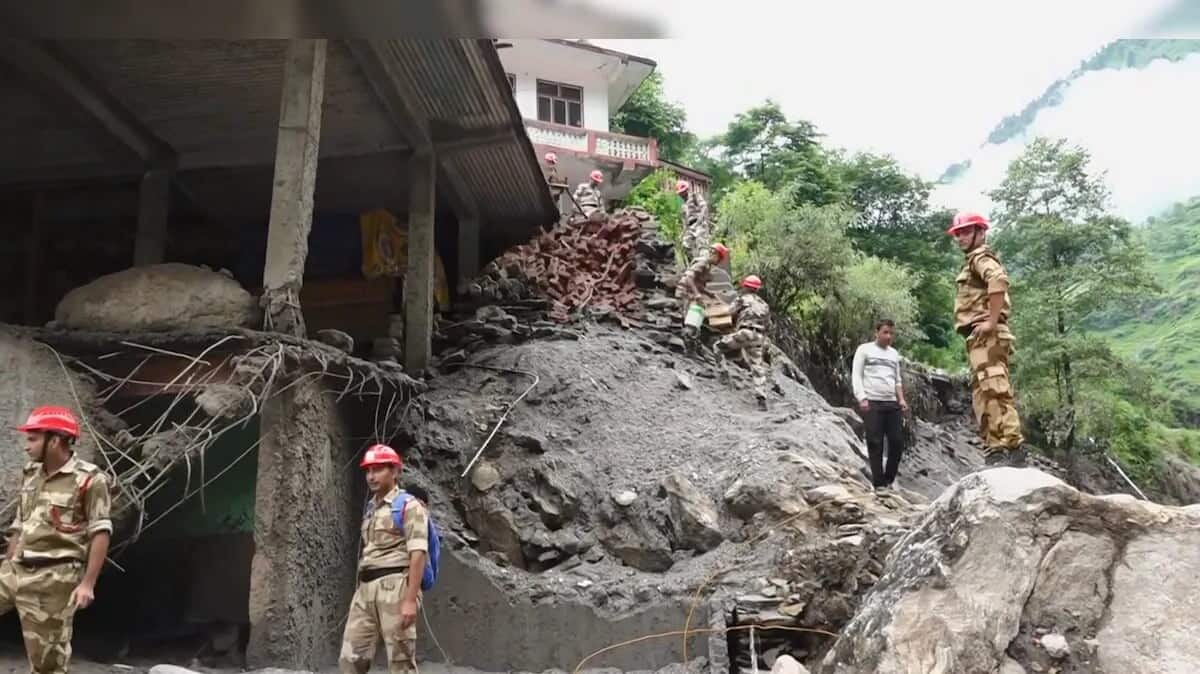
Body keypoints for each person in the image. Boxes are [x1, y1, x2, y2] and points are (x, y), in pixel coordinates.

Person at [2, 406, 112, 674]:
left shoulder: (90, 479)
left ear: (54, 441)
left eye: (33, 439)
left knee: (47, 664)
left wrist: (87, 584)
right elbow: (21, 522)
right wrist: (8, 561)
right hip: (14, 570)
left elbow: (100, 531)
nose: (26, 447)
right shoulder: (31, 473)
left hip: (53, 579)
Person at [339, 444, 430, 674]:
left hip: (396, 587)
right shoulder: (372, 508)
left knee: (401, 662)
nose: (371, 476)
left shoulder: (409, 506)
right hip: (366, 589)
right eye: (368, 471)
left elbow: (418, 553)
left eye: (378, 469)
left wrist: (410, 600)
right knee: (351, 659)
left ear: (395, 471)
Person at [948, 211, 1025, 467]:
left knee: (995, 388)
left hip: (987, 334)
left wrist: (991, 321)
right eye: (958, 233)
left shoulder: (981, 258)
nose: (960, 237)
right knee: (984, 393)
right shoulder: (972, 260)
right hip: (978, 337)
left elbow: (998, 279)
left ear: (981, 232)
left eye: (966, 232)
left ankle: (1012, 447)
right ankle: (996, 450)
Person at [851, 320, 909, 489]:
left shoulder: (893, 354)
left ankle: (889, 478)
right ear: (876, 332)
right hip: (872, 402)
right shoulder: (864, 350)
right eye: (885, 332)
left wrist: (902, 399)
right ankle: (879, 484)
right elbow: (857, 375)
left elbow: (897, 380)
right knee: (875, 442)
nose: (888, 336)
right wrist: (861, 397)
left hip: (891, 403)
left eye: (891, 333)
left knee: (896, 442)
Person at [716, 275, 771, 410]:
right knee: (757, 367)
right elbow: (768, 325)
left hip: (744, 333)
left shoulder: (742, 299)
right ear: (757, 289)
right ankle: (761, 399)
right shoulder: (764, 305)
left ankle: (723, 374)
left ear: (745, 286)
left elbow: (728, 311)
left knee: (717, 347)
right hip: (758, 337)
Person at [675, 243, 730, 352]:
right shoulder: (703, 263)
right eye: (720, 259)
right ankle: (686, 346)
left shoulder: (707, 265)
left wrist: (709, 293)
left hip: (690, 293)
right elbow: (689, 278)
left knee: (694, 317)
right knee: (692, 318)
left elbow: (697, 283)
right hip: (685, 292)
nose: (719, 262)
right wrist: (697, 295)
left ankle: (689, 342)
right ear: (715, 254)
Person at [677, 180, 710, 261]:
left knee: (701, 245)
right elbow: (684, 221)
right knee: (685, 245)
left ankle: (704, 263)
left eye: (683, 192)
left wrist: (700, 220)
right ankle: (693, 263)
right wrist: (683, 233)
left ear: (687, 190)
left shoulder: (695, 196)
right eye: (680, 193)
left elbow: (704, 207)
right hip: (690, 227)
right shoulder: (683, 206)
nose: (682, 195)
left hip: (699, 223)